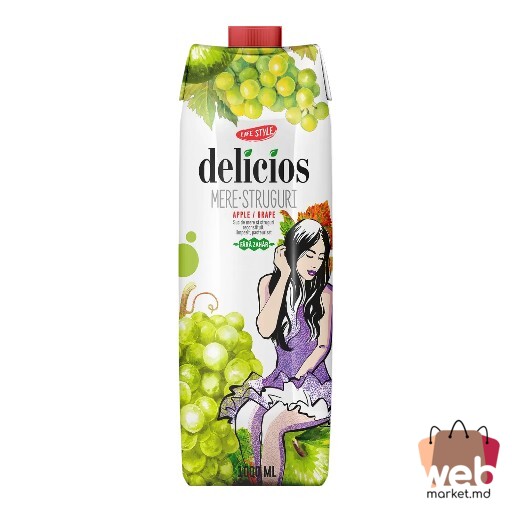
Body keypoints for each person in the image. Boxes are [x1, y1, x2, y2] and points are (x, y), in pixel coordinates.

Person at [219, 219, 332, 485]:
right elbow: (266, 328)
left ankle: (270, 487)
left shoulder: (325, 293)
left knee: (273, 425)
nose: (315, 263)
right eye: (309, 254)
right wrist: (283, 276)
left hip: (312, 384)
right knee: (244, 417)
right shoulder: (269, 284)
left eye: (321, 257)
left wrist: (300, 377)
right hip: (278, 381)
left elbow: (323, 345)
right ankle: (253, 482)